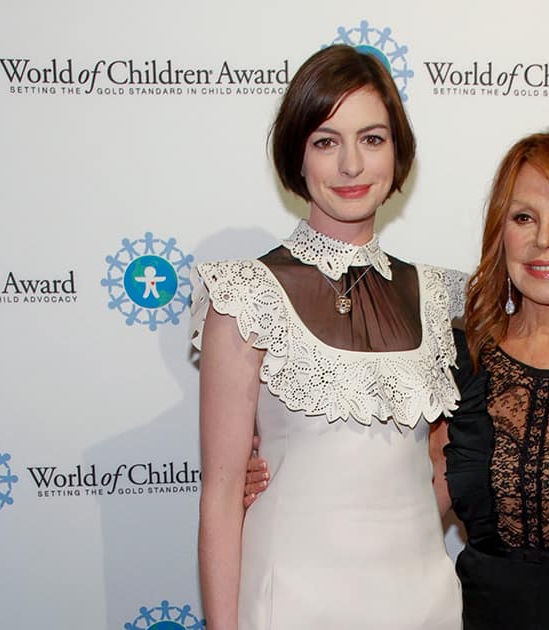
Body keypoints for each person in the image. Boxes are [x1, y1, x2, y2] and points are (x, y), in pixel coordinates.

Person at [246, 123, 549, 629]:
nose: (544, 240)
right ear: (500, 232)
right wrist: (294, 480)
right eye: (524, 217)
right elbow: (412, 499)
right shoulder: (460, 359)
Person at [194, 45, 464, 630]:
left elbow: (444, 461)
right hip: (291, 600)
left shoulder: (439, 296)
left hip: (422, 599)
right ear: (298, 155)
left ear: (398, 152)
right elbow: (219, 496)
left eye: (372, 139)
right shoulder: (244, 293)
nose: (351, 166)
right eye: (325, 140)